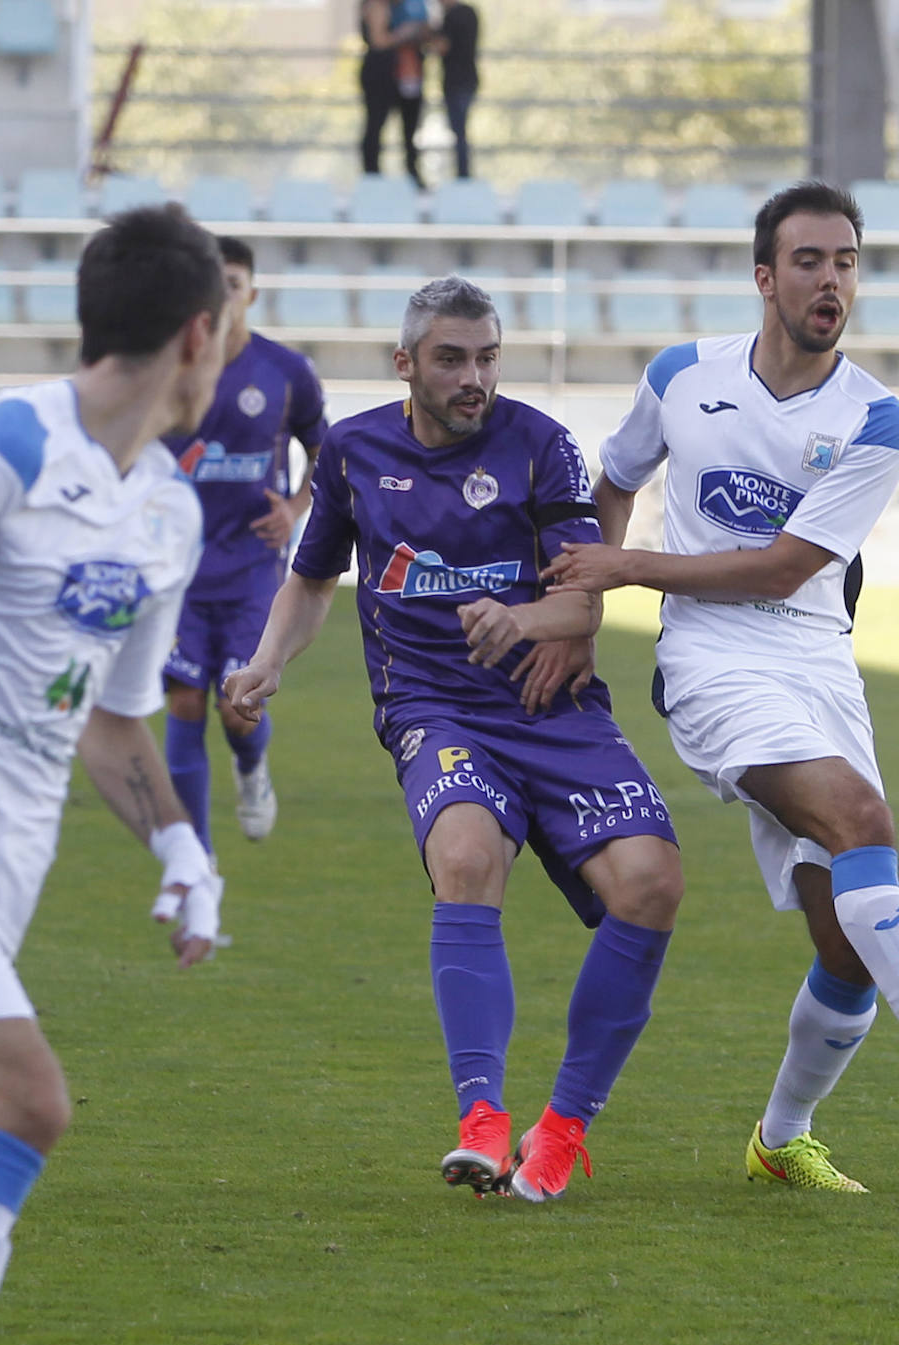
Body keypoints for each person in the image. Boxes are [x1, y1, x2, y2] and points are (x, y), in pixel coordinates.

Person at [542, 181, 899, 1193]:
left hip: (817, 660)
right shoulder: (682, 375)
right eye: (811, 261)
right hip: (711, 662)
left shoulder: (878, 419)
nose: (832, 281)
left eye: (847, 262)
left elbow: (783, 568)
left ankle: (780, 1139)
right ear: (765, 278)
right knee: (862, 819)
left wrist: (626, 569)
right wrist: (584, 607)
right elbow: (615, 478)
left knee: (849, 936)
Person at [226, 276, 682, 1203]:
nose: (473, 376)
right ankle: (482, 1119)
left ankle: (561, 1130)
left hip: (550, 705)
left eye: (485, 357)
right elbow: (313, 581)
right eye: (450, 359)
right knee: (467, 857)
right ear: (406, 364)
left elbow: (582, 594)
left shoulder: (539, 445)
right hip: (432, 709)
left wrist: (526, 622)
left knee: (652, 883)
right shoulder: (353, 453)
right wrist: (268, 661)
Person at [0, 203, 227, 1345]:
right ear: (200, 335)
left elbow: (113, 723)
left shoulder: (169, 512)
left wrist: (181, 850)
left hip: (3, 866)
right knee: (20, 1102)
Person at [162, 235, 328, 857]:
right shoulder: (168, 365)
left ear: (251, 292)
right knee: (182, 701)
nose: (225, 293)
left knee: (237, 708)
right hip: (177, 571)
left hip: (253, 571)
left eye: (235, 283)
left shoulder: (285, 372)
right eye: (215, 283)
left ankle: (251, 768)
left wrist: (295, 507)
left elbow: (323, 451)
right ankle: (195, 860)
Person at [359, 0, 431, 187]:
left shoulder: (408, 6)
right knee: (376, 125)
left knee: (410, 128)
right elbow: (378, 41)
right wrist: (403, 33)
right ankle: (372, 175)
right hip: (380, 74)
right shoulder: (376, 6)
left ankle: (412, 174)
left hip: (406, 73)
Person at [429, 0, 479, 180]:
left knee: (459, 131)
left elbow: (442, 47)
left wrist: (428, 34)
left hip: (455, 82)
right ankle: (464, 174)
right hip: (470, 79)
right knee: (461, 130)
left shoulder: (450, 16)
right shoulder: (471, 12)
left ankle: (463, 175)